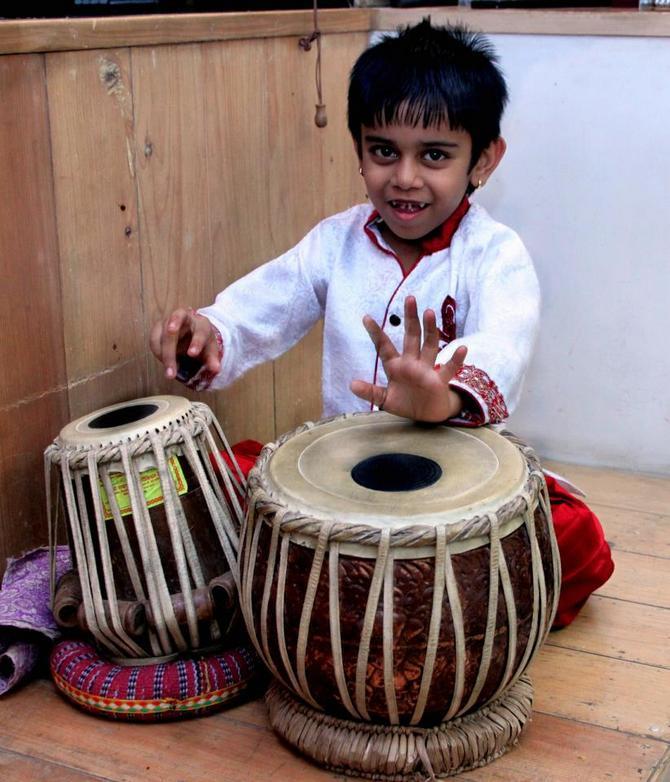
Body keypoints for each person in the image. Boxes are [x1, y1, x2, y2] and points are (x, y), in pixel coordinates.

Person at [150, 20, 613, 627]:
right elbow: (265, 303)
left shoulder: (495, 255)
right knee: (222, 474)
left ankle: (426, 602)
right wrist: (211, 333)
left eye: (436, 155)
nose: (405, 177)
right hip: (341, 482)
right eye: (383, 150)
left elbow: (504, 340)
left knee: (577, 536)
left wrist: (443, 395)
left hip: (454, 493)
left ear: (484, 159)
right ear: (359, 150)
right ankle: (409, 601)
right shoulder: (334, 243)